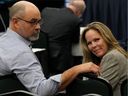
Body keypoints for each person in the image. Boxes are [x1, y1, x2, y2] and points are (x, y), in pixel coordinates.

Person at [0, 1, 100, 96]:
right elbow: (42, 91)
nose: (38, 27)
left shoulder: (3, 40)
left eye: (39, 21)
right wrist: (76, 69)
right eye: (33, 22)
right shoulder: (21, 53)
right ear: (16, 22)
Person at [80, 22, 128, 96]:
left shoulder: (112, 57)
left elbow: (97, 92)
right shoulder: (100, 59)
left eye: (96, 40)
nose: (93, 45)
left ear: (107, 37)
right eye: (89, 43)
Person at [40, 0, 86, 74]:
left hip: (40, 56)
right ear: (79, 12)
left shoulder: (47, 11)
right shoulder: (75, 20)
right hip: (59, 61)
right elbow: (75, 40)